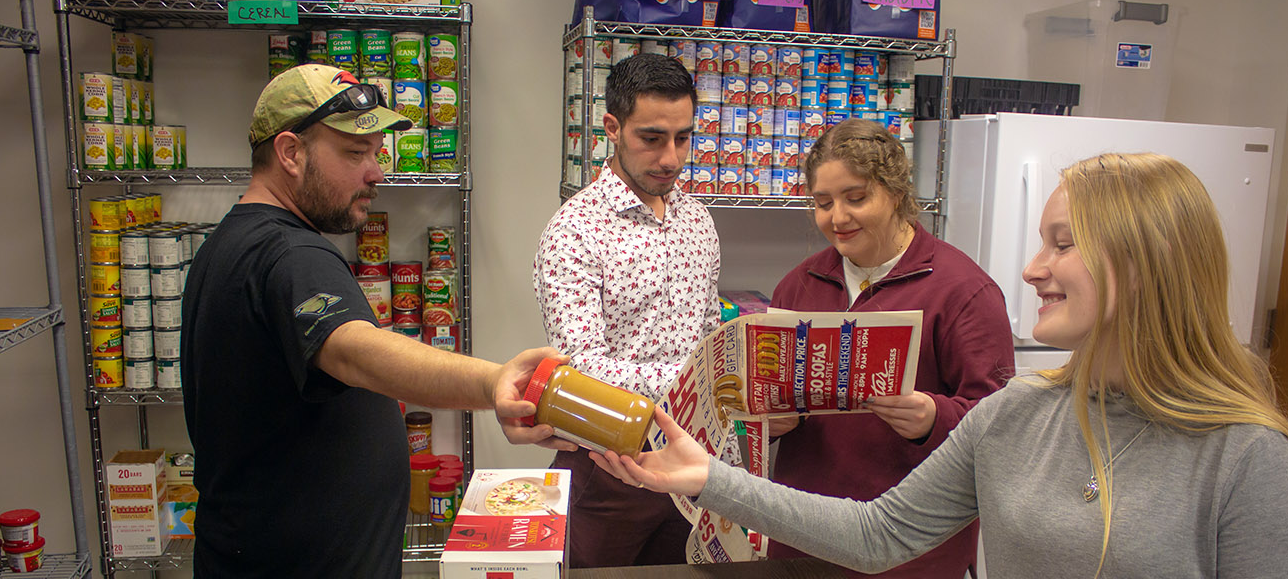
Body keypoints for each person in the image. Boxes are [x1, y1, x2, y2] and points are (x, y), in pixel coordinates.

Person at [592, 152, 1288, 577]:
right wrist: (710, 479)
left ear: (1147, 262)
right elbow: (878, 534)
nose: (1033, 268)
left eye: (1062, 244)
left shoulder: (1248, 457)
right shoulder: (1019, 415)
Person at [181, 64, 566, 578]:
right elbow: (354, 349)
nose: (376, 172)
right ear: (291, 153)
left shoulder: (230, 242)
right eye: (354, 153)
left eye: (377, 152)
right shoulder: (292, 254)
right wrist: (494, 380)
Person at [763, 118, 1014, 578]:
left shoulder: (964, 291)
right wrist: (769, 424)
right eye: (822, 204)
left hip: (911, 550)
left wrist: (933, 419)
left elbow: (1003, 429)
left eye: (856, 198)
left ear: (896, 192)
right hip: (802, 535)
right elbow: (755, 415)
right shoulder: (797, 287)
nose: (837, 218)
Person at [532, 53, 722, 567]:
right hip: (607, 464)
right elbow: (581, 366)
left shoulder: (698, 221)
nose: (671, 157)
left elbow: (708, 328)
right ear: (612, 128)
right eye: (652, 138)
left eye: (683, 138)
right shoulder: (575, 230)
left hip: (691, 458)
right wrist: (692, 380)